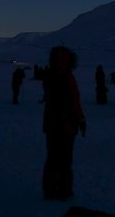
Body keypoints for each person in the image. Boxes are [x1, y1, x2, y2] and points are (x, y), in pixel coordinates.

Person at [42, 46, 86, 201]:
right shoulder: (67, 77)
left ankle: (50, 189)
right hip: (66, 124)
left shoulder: (49, 76)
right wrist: (80, 119)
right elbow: (74, 101)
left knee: (52, 157)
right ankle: (63, 191)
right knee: (65, 159)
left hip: (51, 123)